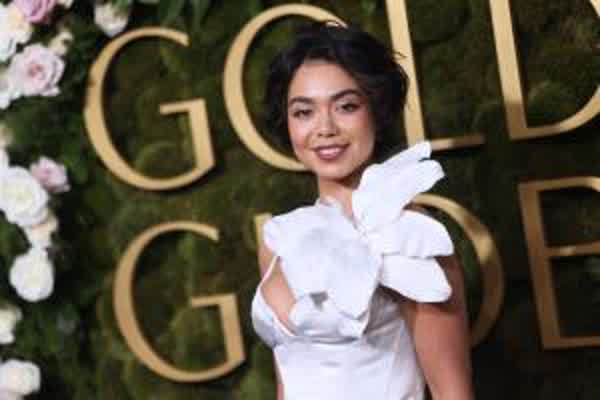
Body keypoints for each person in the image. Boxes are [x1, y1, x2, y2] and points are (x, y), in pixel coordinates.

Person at [251, 20, 474, 400]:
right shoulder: (280, 240)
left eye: (346, 106)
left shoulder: (411, 238)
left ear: (377, 111)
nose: (324, 128)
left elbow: (453, 393)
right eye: (303, 112)